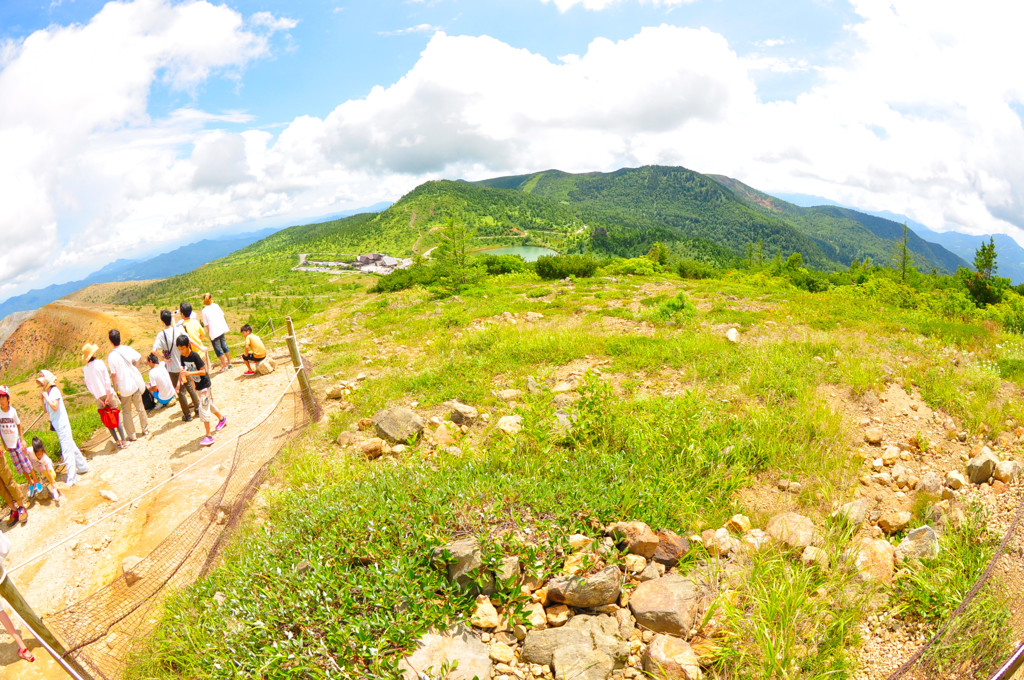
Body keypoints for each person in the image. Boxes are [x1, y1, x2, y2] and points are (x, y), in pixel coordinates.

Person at [36, 370, 89, 486]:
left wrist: (46, 397)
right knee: (71, 446)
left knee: (66, 450)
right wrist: (42, 399)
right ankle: (83, 466)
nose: (41, 385)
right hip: (58, 425)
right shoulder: (48, 393)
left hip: (62, 424)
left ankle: (71, 479)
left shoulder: (54, 391)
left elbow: (55, 406)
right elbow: (46, 410)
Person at [176, 335, 226, 447]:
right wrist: (180, 383)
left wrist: (190, 374)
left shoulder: (195, 356)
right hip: (198, 385)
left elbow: (204, 372)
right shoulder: (182, 357)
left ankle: (208, 436)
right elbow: (184, 370)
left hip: (205, 385)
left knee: (203, 408)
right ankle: (222, 419)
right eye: (179, 349)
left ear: (188, 346)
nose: (181, 351)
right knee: (209, 405)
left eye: (183, 348)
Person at [154, 310, 199, 422]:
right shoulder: (178, 330)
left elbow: (154, 350)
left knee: (181, 392)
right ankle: (198, 409)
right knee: (189, 387)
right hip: (183, 364)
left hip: (172, 367)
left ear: (162, 321)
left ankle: (187, 415)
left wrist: (163, 358)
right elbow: (189, 340)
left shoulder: (161, 335)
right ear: (171, 318)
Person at [0, 387, 39, 516]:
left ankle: (36, 480)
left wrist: (22, 440)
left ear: (8, 398)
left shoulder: (12, 412)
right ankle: (30, 482)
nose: (1, 401)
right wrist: (4, 444)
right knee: (19, 467)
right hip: (9, 446)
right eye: (0, 398)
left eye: (3, 398)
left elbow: (19, 424)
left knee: (26, 462)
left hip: (16, 442)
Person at [81, 343, 128, 448]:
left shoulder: (85, 369)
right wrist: (107, 396)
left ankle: (117, 441)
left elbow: (89, 387)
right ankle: (124, 441)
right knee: (115, 416)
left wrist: (99, 399)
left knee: (107, 418)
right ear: (93, 354)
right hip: (108, 393)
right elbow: (107, 380)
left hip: (98, 397)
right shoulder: (100, 363)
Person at [106, 329, 149, 441]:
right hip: (133, 384)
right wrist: (135, 368)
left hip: (124, 388)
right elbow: (139, 357)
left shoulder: (111, 357)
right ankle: (145, 429)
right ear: (120, 338)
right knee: (140, 408)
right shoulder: (126, 349)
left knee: (127, 412)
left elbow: (114, 375)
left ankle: (132, 435)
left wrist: (115, 389)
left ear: (111, 341)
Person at [201, 293, 232, 372]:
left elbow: (206, 324)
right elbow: (222, 315)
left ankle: (224, 366)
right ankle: (229, 363)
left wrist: (210, 333)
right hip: (221, 329)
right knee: (224, 346)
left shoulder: (204, 311)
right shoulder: (216, 305)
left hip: (214, 332)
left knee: (218, 349)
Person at [30, 438, 64, 506]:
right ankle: (58, 491)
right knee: (50, 478)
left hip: (47, 466)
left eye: (41, 454)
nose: (40, 456)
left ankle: (58, 491)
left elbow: (48, 472)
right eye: (38, 454)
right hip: (39, 467)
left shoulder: (44, 458)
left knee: (52, 477)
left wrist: (53, 484)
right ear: (34, 452)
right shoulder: (30, 451)